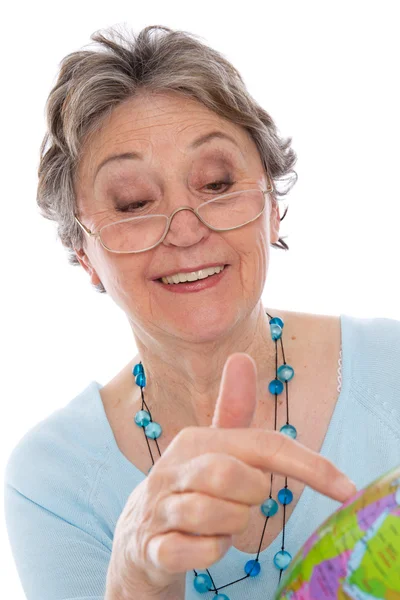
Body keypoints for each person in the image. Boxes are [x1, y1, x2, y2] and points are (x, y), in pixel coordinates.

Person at [4, 24, 400, 600]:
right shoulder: (50, 481)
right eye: (135, 202)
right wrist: (135, 577)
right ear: (82, 252)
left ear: (272, 209)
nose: (187, 229)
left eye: (216, 183)